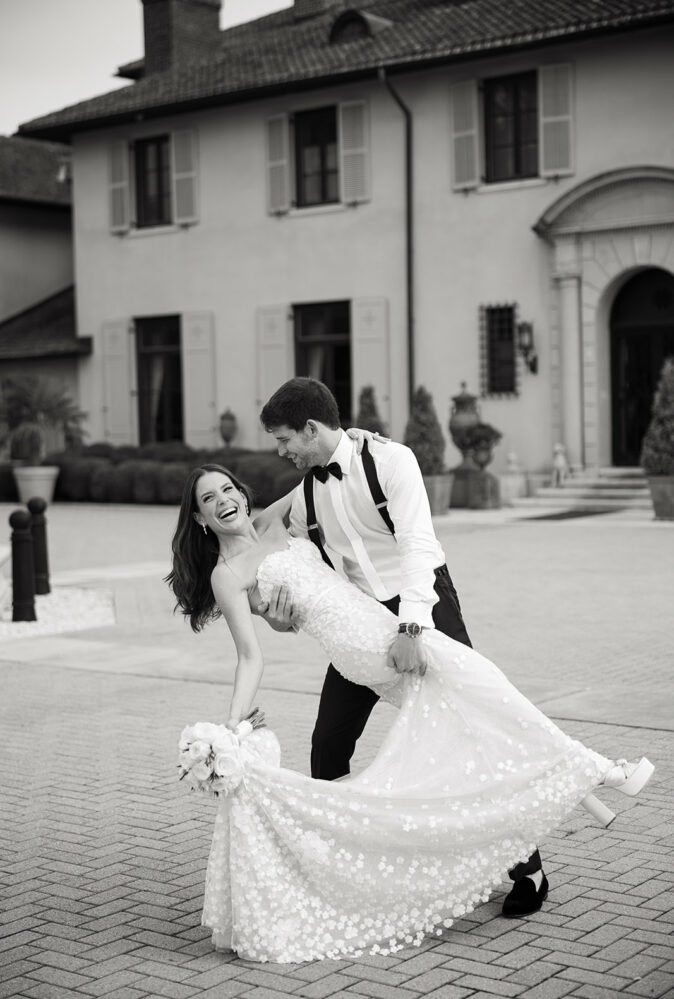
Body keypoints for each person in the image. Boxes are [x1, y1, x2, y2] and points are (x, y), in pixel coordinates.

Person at [167, 461, 653, 964]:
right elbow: (250, 655)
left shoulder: (273, 518)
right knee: (465, 711)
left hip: (394, 629)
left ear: (242, 493)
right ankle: (600, 773)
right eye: (209, 498)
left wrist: (364, 446)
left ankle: (578, 790)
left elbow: (328, 460)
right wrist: (233, 722)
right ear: (200, 518)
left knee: (486, 712)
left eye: (228, 488)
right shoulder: (228, 575)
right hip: (360, 652)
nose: (224, 499)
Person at [258, 378, 544, 918]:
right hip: (358, 624)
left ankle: (528, 868)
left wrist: (412, 628)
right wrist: (282, 617)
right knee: (327, 746)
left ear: (311, 429)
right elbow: (300, 560)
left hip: (425, 605)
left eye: (284, 439)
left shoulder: (392, 461)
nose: (282, 451)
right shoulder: (308, 490)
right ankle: (346, 869)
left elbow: (419, 545)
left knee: (471, 735)